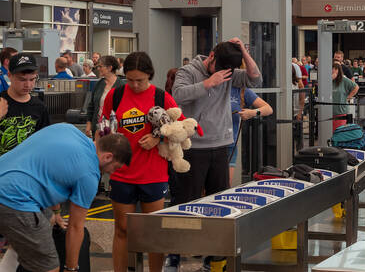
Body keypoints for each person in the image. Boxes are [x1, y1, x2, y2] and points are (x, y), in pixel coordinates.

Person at [0, 127, 130, 272]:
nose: (112, 173)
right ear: (108, 156)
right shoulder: (89, 174)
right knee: (49, 267)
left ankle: (8, 266)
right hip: (11, 202)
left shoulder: (68, 130)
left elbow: (49, 168)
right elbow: (75, 227)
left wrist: (56, 212)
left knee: (46, 219)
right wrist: (71, 268)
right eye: (115, 168)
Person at [169, 39, 261, 270]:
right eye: (217, 68)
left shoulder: (230, 72)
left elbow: (255, 77)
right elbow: (177, 95)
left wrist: (244, 53)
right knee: (184, 202)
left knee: (217, 203)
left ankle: (213, 259)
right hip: (193, 147)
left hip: (220, 145)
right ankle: (174, 256)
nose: (221, 74)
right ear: (210, 57)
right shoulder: (188, 71)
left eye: (225, 71)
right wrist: (208, 83)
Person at [100, 51, 184, 272]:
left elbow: (182, 128)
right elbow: (104, 128)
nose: (135, 85)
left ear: (150, 76)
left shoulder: (161, 97)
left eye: (141, 80)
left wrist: (158, 136)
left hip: (153, 174)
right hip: (121, 173)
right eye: (130, 80)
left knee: (153, 232)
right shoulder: (115, 95)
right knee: (122, 230)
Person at [0, 53, 50, 272]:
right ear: (9, 75)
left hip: (23, 192)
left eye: (32, 79)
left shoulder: (39, 107)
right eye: (21, 79)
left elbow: (43, 150)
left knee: (25, 248)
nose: (27, 84)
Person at [230, 82, 273, 185]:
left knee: (222, 188)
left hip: (230, 145)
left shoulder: (241, 90)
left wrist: (252, 113)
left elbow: (268, 109)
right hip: (207, 144)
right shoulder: (214, 86)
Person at [85, 56, 126, 139]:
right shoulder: (99, 84)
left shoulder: (121, 86)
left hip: (115, 130)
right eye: (97, 66)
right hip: (97, 128)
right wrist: (89, 125)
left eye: (100, 66)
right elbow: (91, 106)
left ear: (110, 68)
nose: (98, 69)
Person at [332, 63, 358, 130]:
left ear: (338, 70)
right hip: (328, 111)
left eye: (335, 69)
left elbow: (356, 87)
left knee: (338, 132)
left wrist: (348, 97)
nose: (333, 71)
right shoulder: (328, 80)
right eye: (332, 69)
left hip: (340, 112)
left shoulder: (344, 80)